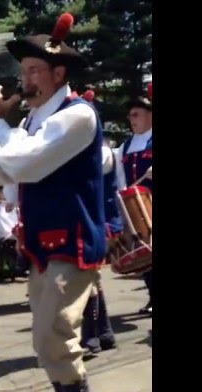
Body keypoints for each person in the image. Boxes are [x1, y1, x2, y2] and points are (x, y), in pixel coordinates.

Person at [0, 13, 107, 392]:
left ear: (58, 74)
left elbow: (23, 165)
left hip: (71, 242)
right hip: (41, 244)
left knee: (53, 335)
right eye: (23, 72)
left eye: (35, 71)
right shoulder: (33, 122)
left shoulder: (76, 116)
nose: (25, 79)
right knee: (46, 339)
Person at [80, 93, 119, 356]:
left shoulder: (102, 153)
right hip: (94, 221)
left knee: (88, 279)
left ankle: (91, 337)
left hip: (100, 223)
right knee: (92, 278)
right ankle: (104, 333)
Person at [116, 83, 153, 315]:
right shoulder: (125, 146)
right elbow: (119, 178)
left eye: (136, 114)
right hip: (138, 208)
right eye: (130, 115)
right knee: (147, 256)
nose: (132, 119)